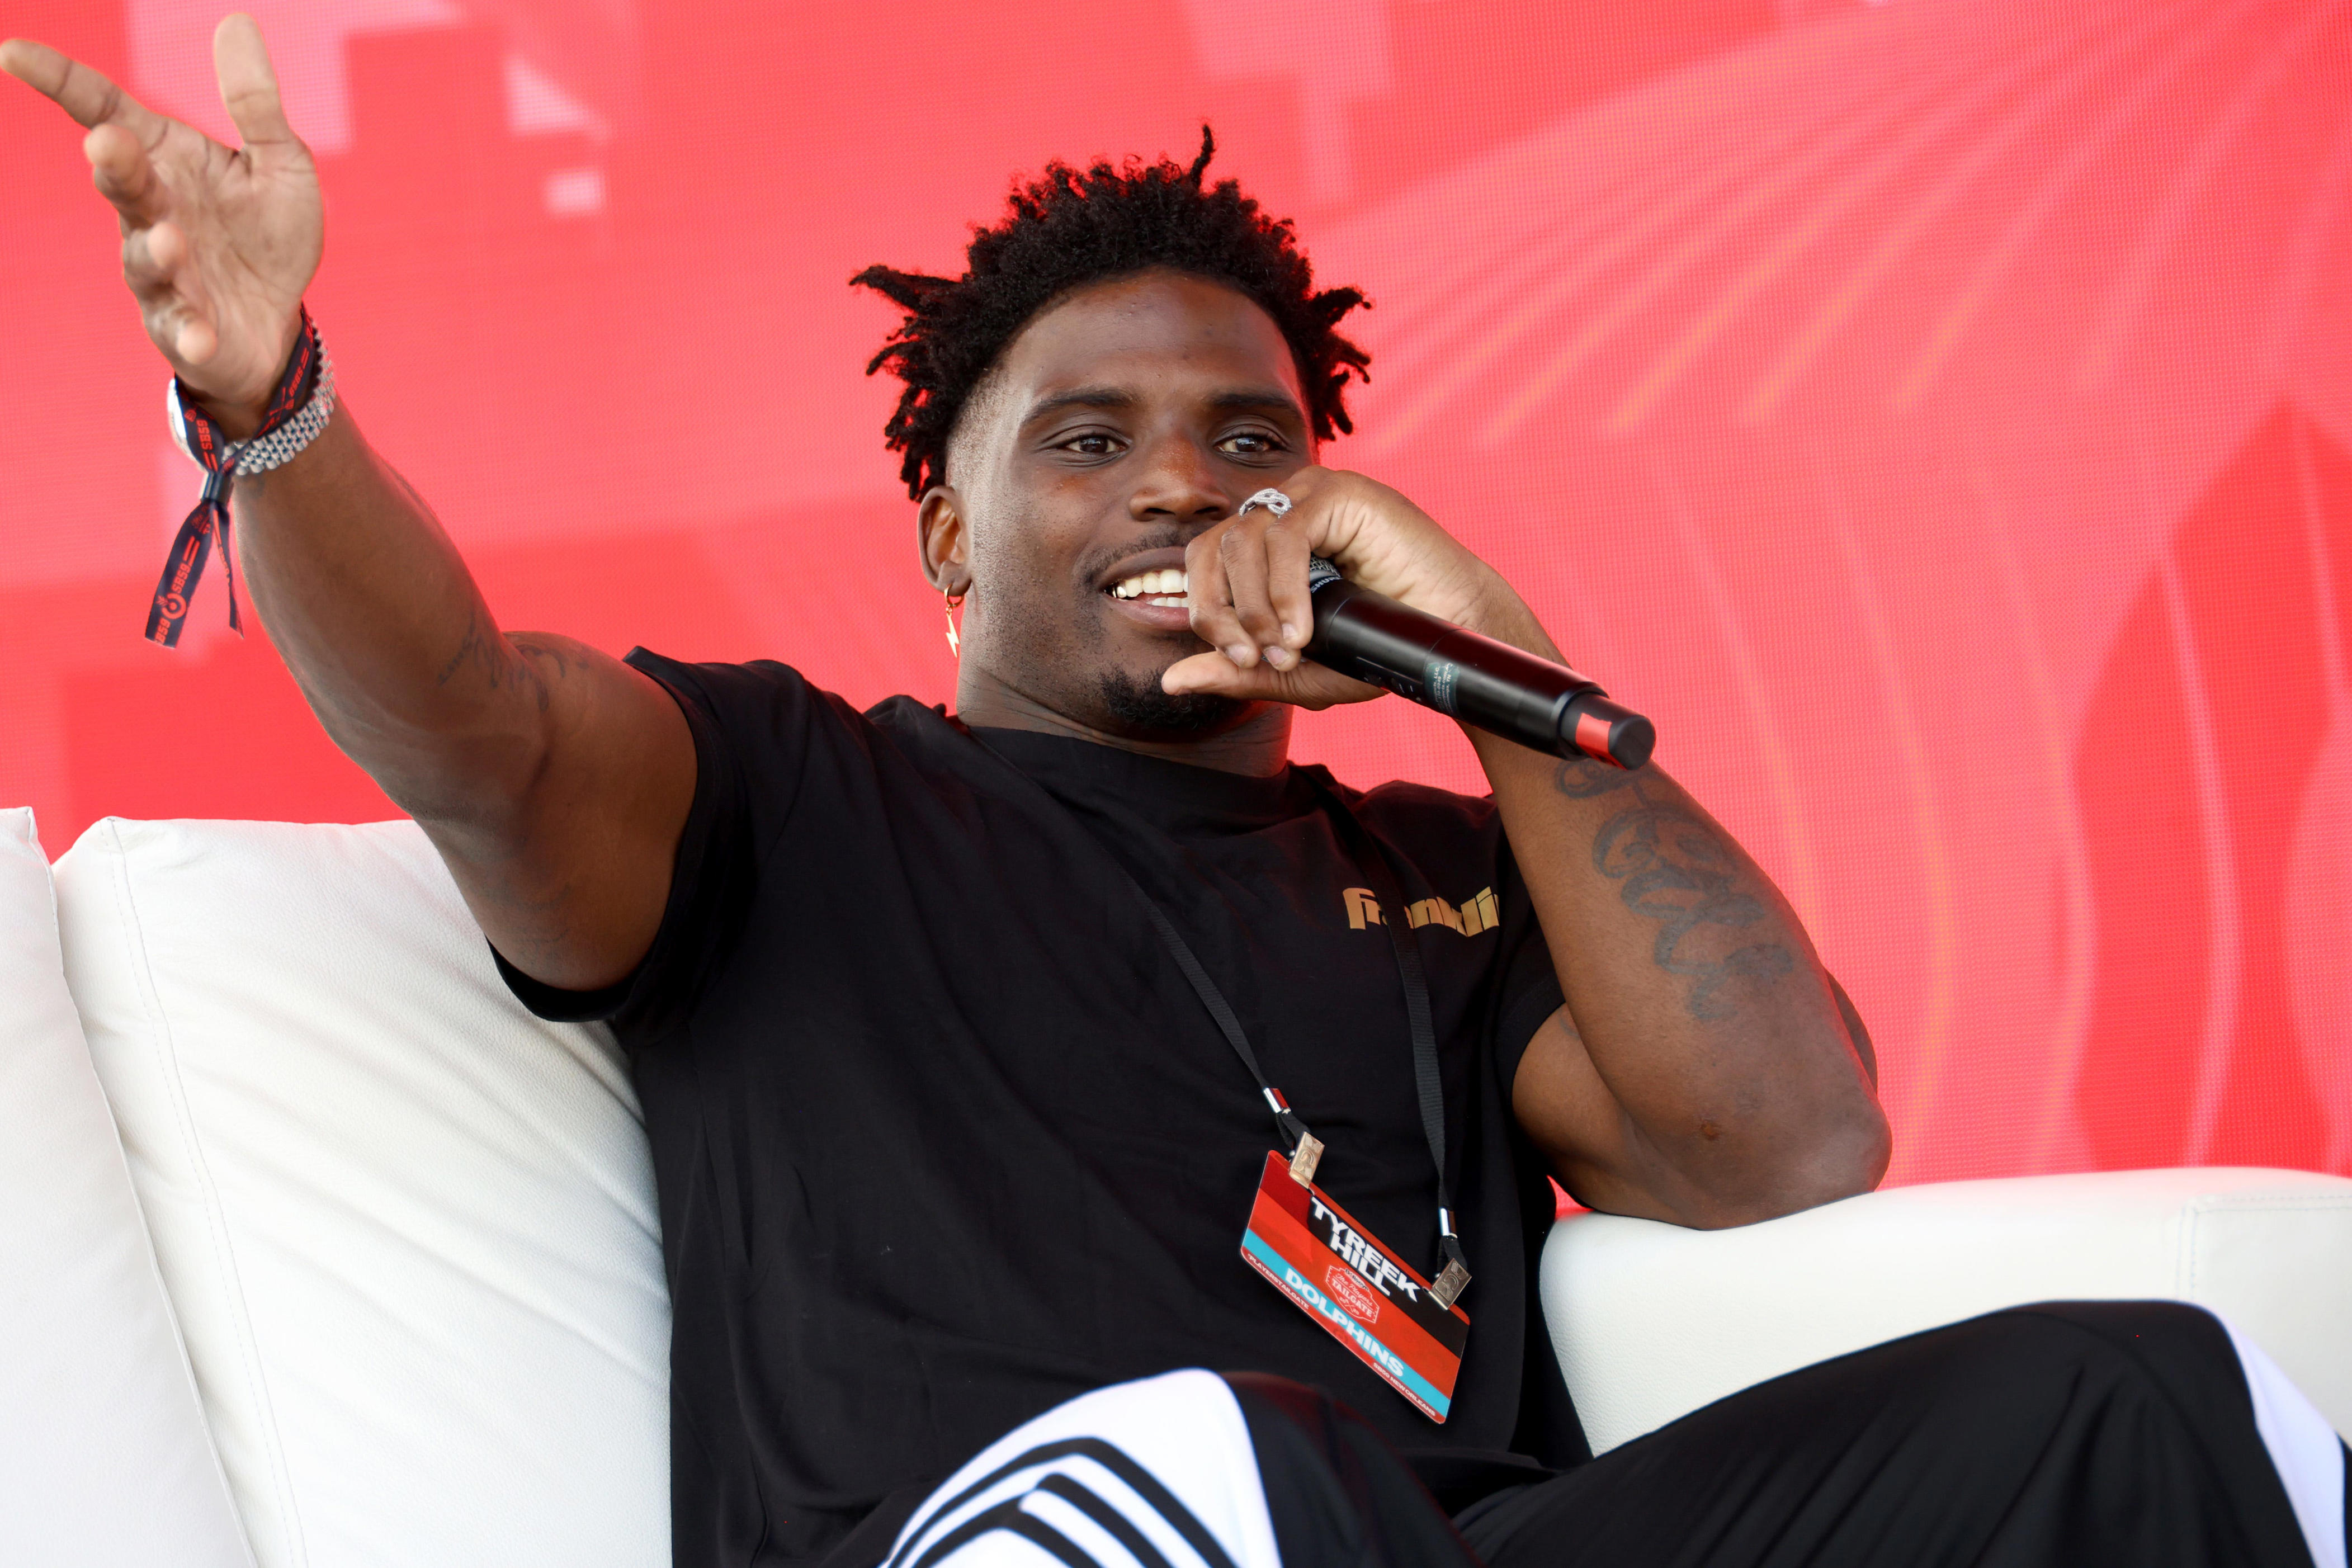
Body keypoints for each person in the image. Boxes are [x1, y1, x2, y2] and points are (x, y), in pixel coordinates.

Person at [6, 18, 2343, 1568]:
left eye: (1246, 441)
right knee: (1236, 1452)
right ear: (945, 536)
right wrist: (277, 401)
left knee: (2145, 1396)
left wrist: (1494, 660)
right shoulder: (790, 792)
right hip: (1026, 1527)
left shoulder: (1441, 872)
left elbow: (1779, 1145)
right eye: (1085, 440)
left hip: (1401, 1536)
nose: (1174, 488)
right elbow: (472, 721)